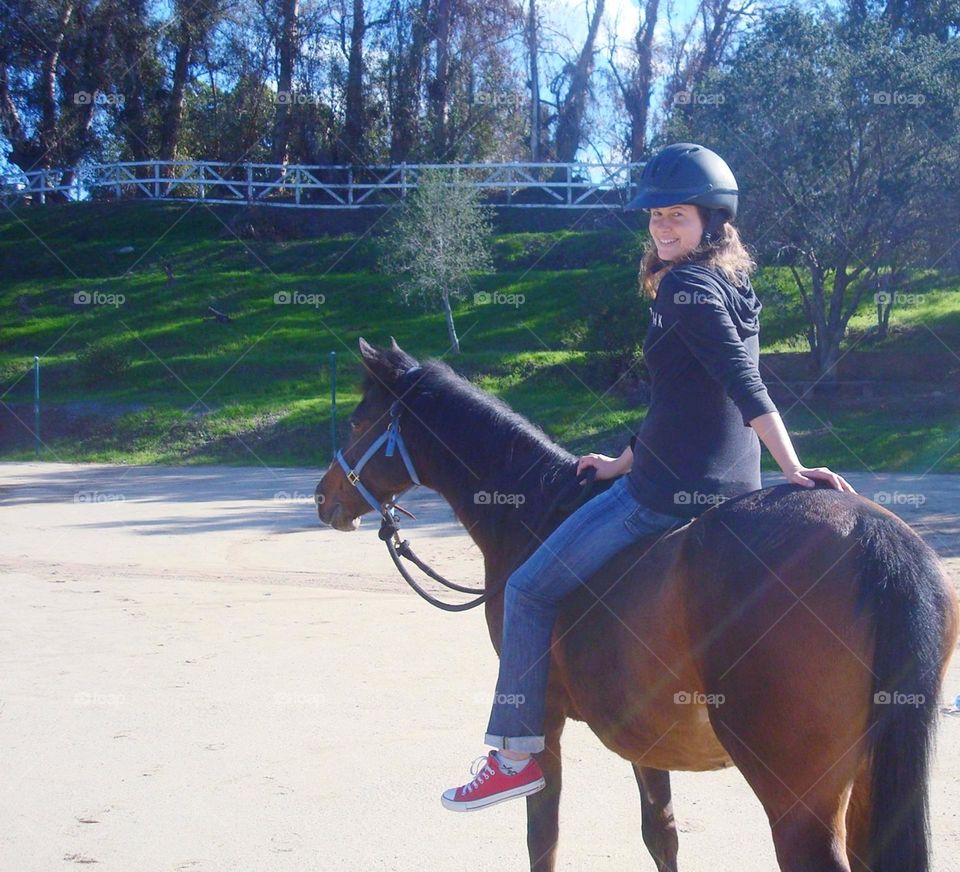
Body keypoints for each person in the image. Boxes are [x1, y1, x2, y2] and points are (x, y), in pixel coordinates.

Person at [440, 142, 857, 812]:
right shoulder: (731, 284)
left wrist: (795, 466)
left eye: (679, 218)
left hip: (661, 498)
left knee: (525, 589)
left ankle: (513, 753)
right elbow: (684, 401)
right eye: (656, 217)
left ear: (713, 222)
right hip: (726, 489)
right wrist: (619, 459)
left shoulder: (685, 287)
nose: (663, 228)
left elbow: (743, 385)